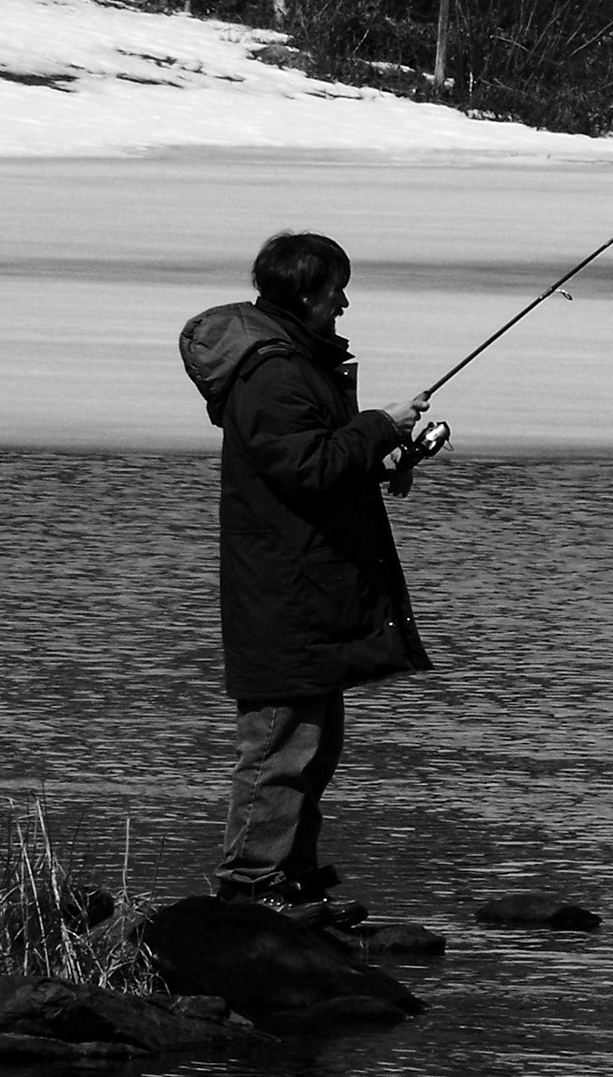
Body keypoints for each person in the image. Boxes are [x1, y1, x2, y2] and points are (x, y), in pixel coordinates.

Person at [178, 230, 434, 929]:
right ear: (304, 294)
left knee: (313, 745)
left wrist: (380, 457)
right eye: (335, 291)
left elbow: (315, 463)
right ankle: (249, 887)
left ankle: (290, 879)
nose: (344, 304)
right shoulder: (273, 373)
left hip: (303, 585)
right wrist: (380, 425)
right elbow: (307, 467)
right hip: (282, 590)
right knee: (279, 745)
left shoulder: (295, 364)